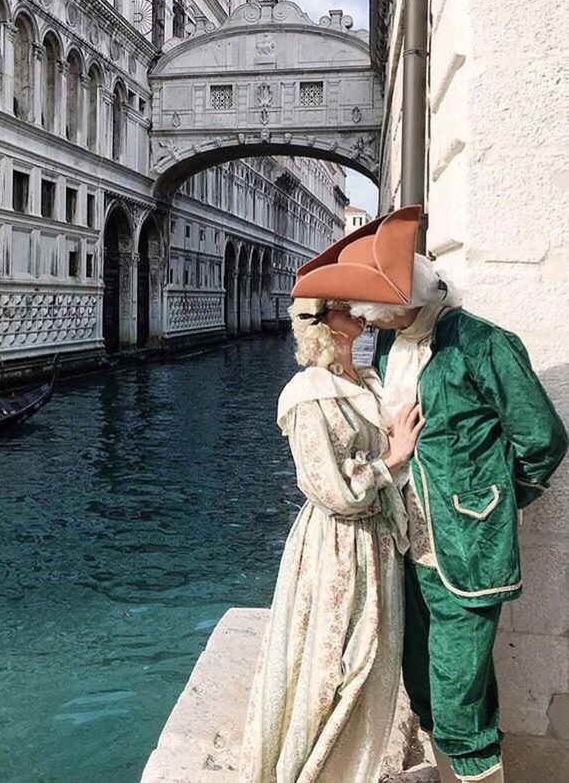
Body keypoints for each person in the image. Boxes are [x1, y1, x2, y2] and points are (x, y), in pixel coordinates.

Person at [293, 205, 568, 783]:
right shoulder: (395, 346)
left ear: (412, 301)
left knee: (458, 695)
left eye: (382, 318)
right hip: (405, 547)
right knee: (419, 676)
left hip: (466, 551)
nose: (375, 329)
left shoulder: (484, 345)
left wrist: (490, 504)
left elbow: (542, 438)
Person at [239, 285, 422, 780]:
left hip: (377, 543)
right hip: (336, 548)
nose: (355, 309)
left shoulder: (365, 379)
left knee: (372, 659)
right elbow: (331, 491)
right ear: (322, 321)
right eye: (343, 305)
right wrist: (392, 459)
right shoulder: (305, 396)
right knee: (335, 666)